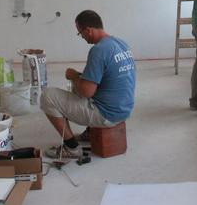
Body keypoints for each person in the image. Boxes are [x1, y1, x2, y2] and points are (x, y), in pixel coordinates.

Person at [40, 10, 136, 159]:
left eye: (80, 33)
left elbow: (87, 92)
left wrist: (73, 75)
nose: (82, 37)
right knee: (79, 83)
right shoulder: (121, 44)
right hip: (124, 109)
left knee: (47, 96)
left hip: (107, 114)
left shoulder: (98, 50)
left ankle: (71, 148)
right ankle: (90, 132)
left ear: (88, 30)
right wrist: (79, 78)